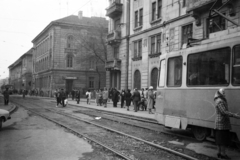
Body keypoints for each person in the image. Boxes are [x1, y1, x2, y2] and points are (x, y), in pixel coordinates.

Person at [214, 88, 240, 159]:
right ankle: (223, 154)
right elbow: (224, 112)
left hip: (220, 123)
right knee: (223, 141)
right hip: (222, 124)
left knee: (219, 140)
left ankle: (219, 153)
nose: (224, 94)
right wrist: (235, 115)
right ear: (220, 93)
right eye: (223, 92)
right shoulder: (220, 101)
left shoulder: (219, 100)